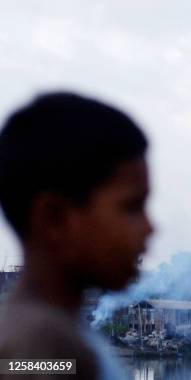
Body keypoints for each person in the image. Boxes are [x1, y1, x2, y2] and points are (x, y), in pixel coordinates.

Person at [0, 92, 154, 379]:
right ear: (55, 217)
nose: (150, 227)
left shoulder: (60, 337)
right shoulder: (40, 346)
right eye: (131, 207)